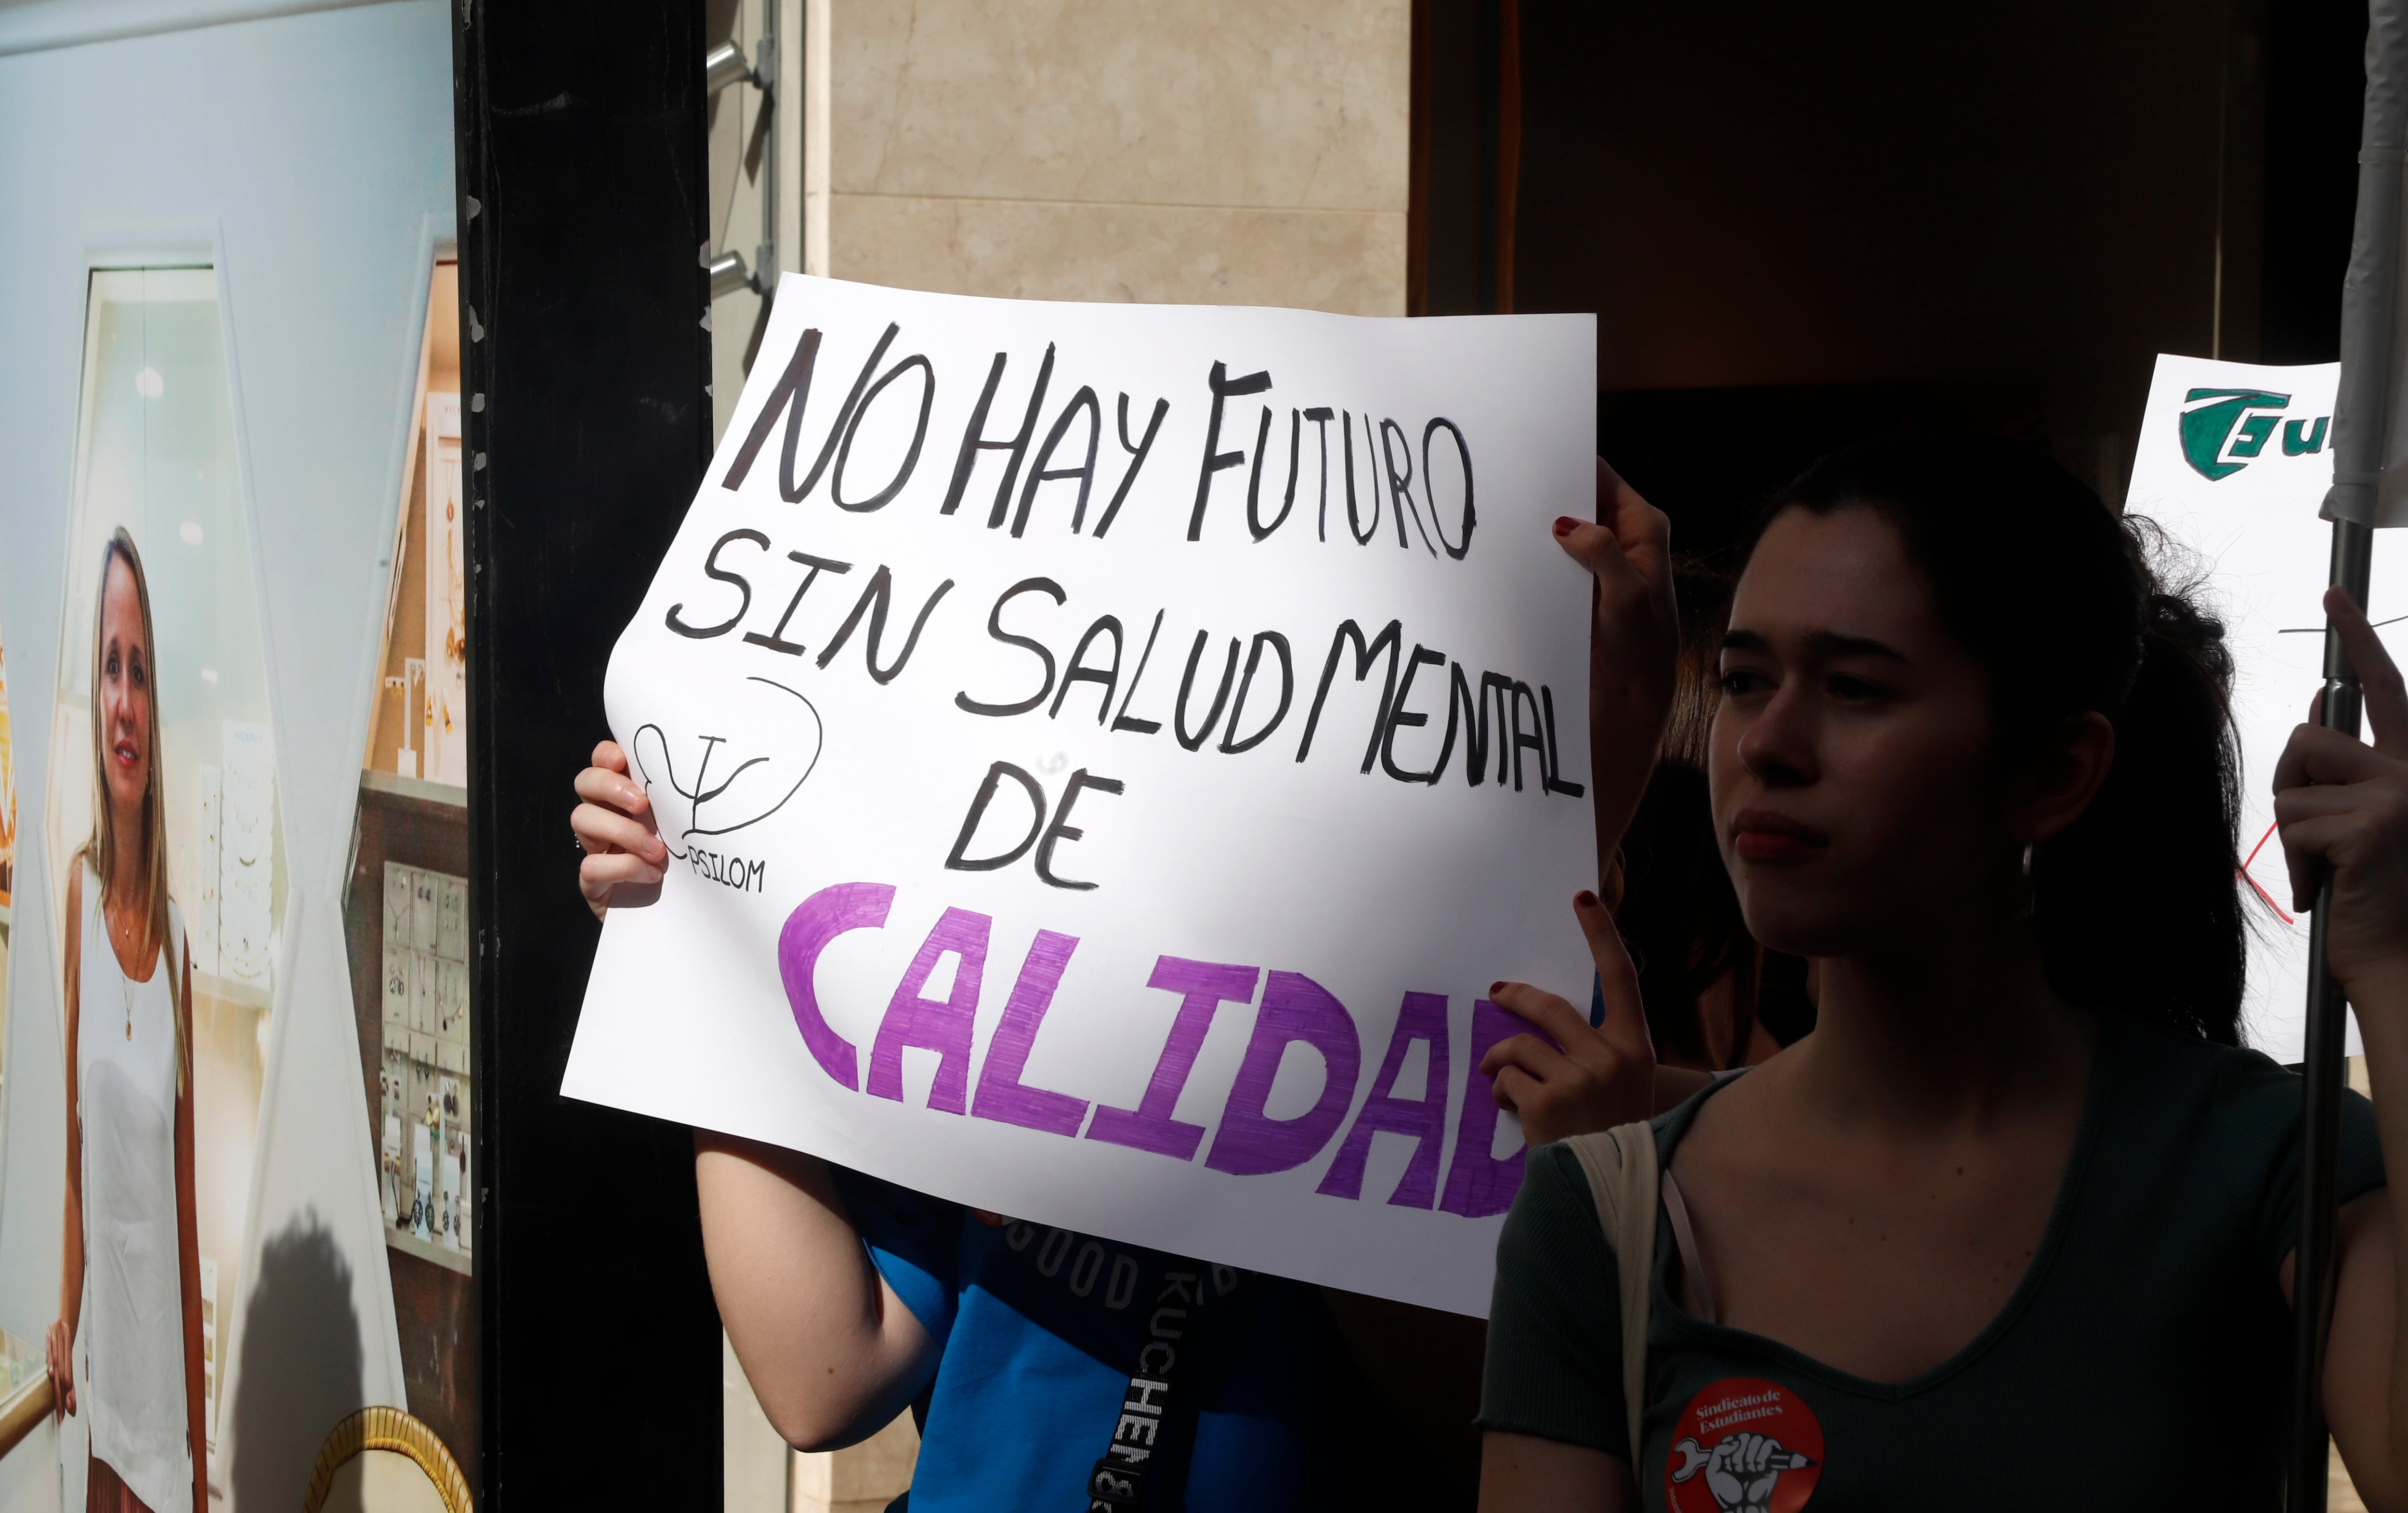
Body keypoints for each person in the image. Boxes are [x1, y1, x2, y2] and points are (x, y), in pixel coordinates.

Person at [568, 461, 1680, 1512]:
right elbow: (821, 1374)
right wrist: (705, 929)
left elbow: (1495, 1446)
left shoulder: (1511, 1023)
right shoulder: (996, 955)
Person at [1474, 436, 2403, 1511]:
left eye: (1857, 688)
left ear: (2054, 773)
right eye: (1742, 678)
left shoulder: (2267, 1157)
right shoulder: (1607, 1206)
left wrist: (2392, 959)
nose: (1766, 743)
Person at [47, 529, 209, 1513]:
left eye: (140, 671)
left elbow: (185, 1226)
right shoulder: (72, 895)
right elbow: (74, 1155)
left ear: (159, 707)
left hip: (163, 1432)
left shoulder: (183, 949)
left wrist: (197, 1461)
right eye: (110, 667)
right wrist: (60, 1317)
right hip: (99, 1407)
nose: (122, 699)